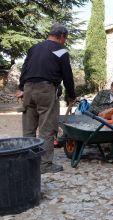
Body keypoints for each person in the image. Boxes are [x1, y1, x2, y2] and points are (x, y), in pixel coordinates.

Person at [15, 23, 76, 174]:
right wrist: (72, 95)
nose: (65, 42)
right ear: (61, 36)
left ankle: (27, 161)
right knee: (47, 129)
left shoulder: (34, 48)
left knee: (28, 128)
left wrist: (21, 87)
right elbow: (67, 76)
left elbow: (25, 68)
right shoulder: (61, 51)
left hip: (28, 88)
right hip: (46, 90)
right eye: (65, 39)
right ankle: (45, 165)